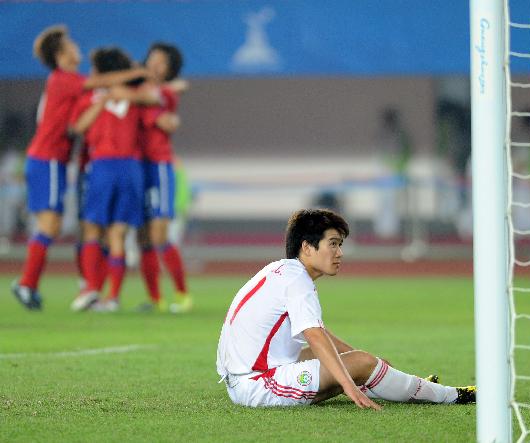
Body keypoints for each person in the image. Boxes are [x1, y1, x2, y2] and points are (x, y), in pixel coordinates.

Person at [216, 209, 476, 408]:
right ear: (307, 246)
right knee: (360, 363)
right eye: (333, 243)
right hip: (258, 385)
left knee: (360, 361)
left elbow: (321, 334)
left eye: (340, 244)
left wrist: (359, 360)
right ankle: (452, 395)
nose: (339, 252)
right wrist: (351, 381)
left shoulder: (281, 270)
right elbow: (314, 335)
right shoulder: (297, 280)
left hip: (245, 379)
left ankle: (407, 385)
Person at [11, 25, 148, 310]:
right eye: (70, 44)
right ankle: (27, 283)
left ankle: (35, 284)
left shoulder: (67, 81)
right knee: (51, 224)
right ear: (61, 55)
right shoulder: (64, 79)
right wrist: (136, 73)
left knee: (61, 225)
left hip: (54, 161)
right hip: (47, 158)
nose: (76, 48)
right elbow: (101, 83)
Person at [68, 47, 157, 312]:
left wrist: (104, 98)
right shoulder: (136, 94)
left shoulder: (91, 95)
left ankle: (91, 288)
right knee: (118, 233)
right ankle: (113, 297)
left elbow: (77, 127)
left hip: (103, 166)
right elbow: (155, 97)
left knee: (92, 228)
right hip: (131, 168)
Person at [137, 43, 192, 313]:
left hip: (159, 165)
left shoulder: (162, 95)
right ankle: (155, 299)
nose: (155, 65)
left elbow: (166, 122)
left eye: (162, 63)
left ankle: (182, 296)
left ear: (170, 69)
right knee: (143, 237)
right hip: (137, 167)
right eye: (153, 59)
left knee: (160, 234)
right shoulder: (150, 90)